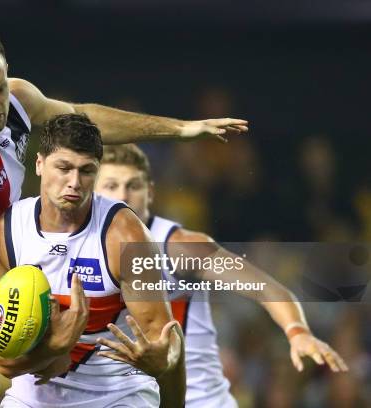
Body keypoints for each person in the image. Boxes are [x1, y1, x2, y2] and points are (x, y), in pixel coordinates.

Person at [0, 23, 247, 408]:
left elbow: (85, 119)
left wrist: (180, 129)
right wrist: (51, 342)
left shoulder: (17, 99)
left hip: (8, 273)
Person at [94, 144, 349, 408]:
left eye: (133, 185)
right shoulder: (78, 248)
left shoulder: (179, 247)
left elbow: (265, 288)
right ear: (94, 192)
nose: (123, 195)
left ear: (151, 193)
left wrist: (297, 332)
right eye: (111, 185)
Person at [0, 114, 184, 408]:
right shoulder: (8, 231)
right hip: (35, 394)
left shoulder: (127, 235)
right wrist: (55, 349)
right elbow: (4, 363)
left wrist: (163, 359)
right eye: (64, 168)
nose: (74, 183)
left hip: (120, 392)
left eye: (86, 171)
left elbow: (165, 338)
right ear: (40, 163)